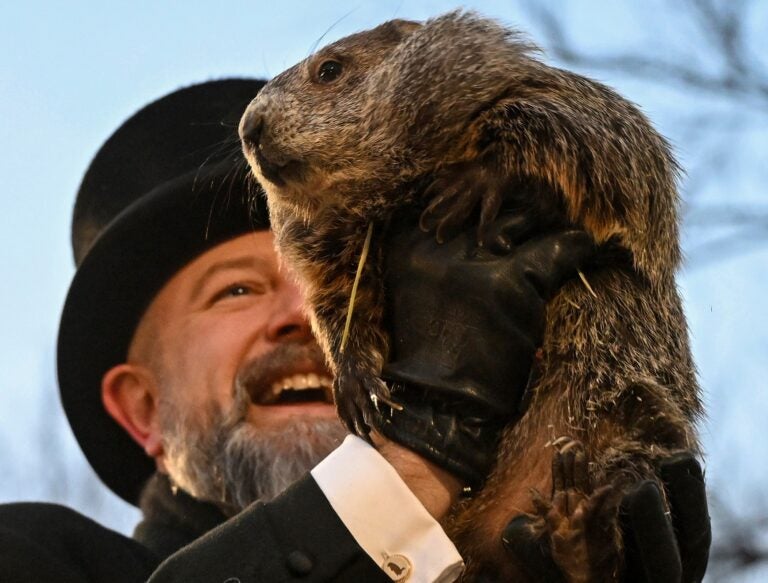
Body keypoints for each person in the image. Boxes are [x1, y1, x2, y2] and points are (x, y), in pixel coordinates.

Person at [0, 79, 709, 582]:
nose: (305, 315)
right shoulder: (32, 556)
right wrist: (423, 452)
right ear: (143, 408)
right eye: (238, 288)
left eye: (338, 282)